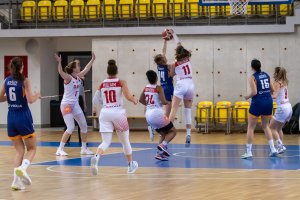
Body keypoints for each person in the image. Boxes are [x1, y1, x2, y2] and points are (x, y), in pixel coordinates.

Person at [90, 59, 139, 175]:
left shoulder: (102, 84)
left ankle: (96, 157)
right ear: (117, 71)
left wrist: (105, 104)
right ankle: (130, 165)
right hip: (118, 113)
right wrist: (135, 100)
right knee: (125, 141)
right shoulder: (121, 82)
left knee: (105, 142)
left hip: (105, 113)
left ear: (107, 72)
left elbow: (94, 100)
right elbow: (127, 96)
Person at [0, 57, 40, 190]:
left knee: (19, 151)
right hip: (23, 116)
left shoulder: (6, 80)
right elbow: (30, 100)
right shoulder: (24, 80)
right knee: (32, 149)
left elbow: (0, 98)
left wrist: (12, 99)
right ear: (21, 67)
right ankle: (23, 168)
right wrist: (37, 95)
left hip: (11, 117)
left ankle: (15, 182)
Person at [54, 53, 95, 156]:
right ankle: (60, 149)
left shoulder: (78, 76)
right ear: (73, 69)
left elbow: (87, 68)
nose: (79, 67)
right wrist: (59, 62)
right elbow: (60, 72)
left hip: (75, 105)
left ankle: (84, 149)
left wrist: (92, 59)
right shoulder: (68, 78)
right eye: (77, 66)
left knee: (84, 126)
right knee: (70, 127)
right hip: (66, 106)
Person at [241, 59, 277, 159]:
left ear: (252, 67)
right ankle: (273, 149)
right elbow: (273, 90)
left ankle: (248, 152)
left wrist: (247, 97)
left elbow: (255, 92)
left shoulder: (252, 77)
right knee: (266, 126)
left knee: (251, 127)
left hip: (258, 102)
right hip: (268, 102)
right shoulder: (266, 75)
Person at [139, 70, 177, 161]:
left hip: (148, 115)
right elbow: (164, 102)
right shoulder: (158, 88)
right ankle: (163, 145)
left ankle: (159, 154)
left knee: (163, 134)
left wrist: (149, 105)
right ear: (156, 78)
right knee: (173, 131)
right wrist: (169, 101)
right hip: (156, 114)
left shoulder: (146, 88)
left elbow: (140, 100)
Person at [168, 30, 194, 144]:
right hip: (190, 84)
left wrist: (169, 70)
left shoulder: (175, 62)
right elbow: (179, 43)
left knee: (174, 108)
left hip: (181, 83)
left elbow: (171, 74)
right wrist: (174, 34)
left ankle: (167, 130)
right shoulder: (188, 57)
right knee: (188, 111)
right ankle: (188, 134)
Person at [269, 67, 292, 154]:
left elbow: (274, 96)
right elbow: (277, 93)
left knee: (271, 128)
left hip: (282, 107)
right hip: (288, 106)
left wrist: (265, 96)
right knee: (278, 129)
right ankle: (280, 146)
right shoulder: (285, 82)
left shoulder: (277, 83)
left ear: (276, 73)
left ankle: (280, 146)